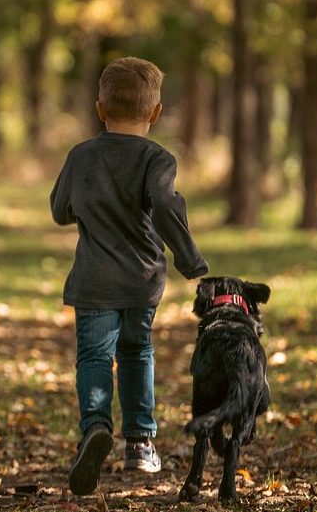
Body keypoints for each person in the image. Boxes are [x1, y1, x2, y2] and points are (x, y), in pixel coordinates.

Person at [50, 57, 210, 496]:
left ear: (100, 109)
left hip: (93, 281)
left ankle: (95, 428)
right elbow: (166, 208)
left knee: (94, 357)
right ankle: (139, 443)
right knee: (138, 351)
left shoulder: (81, 156)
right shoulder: (158, 159)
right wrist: (191, 260)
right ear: (155, 113)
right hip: (142, 281)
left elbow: (60, 209)